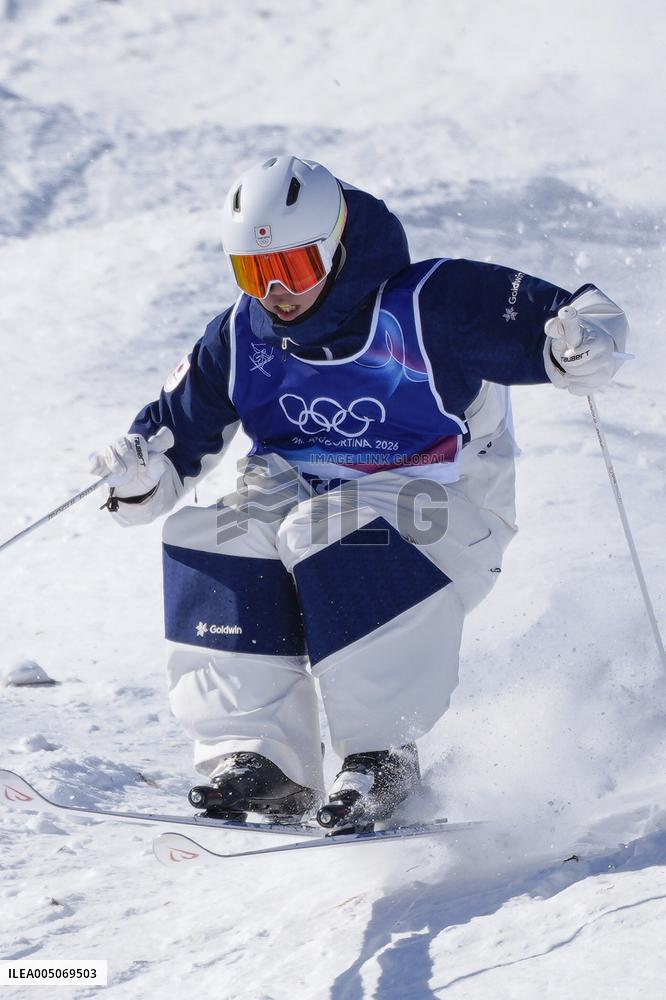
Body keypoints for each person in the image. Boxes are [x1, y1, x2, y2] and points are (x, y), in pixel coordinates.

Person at [90, 155, 629, 827]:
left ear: (336, 245)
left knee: (328, 525)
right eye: (254, 273)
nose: (276, 292)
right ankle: (261, 761)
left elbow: (577, 317)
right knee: (212, 534)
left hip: (440, 507)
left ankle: (381, 755)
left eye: (293, 267)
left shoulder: (430, 303)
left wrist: (585, 342)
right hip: (301, 505)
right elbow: (167, 448)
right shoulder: (240, 335)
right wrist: (139, 477)